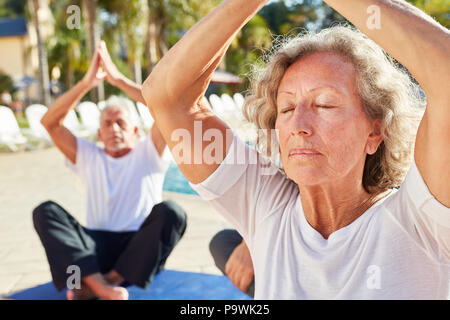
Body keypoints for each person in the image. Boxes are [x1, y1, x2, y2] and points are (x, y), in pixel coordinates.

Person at [141, 0, 449, 299]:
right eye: (286, 108)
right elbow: (167, 97)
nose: (298, 124)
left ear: (376, 131)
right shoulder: (265, 206)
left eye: (324, 103)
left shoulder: (421, 220)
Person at [33, 41, 187, 300]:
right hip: (94, 248)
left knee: (173, 212)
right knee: (45, 211)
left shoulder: (148, 152)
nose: (114, 129)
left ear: (135, 131)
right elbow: (50, 122)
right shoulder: (88, 155)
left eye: (121, 123)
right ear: (99, 133)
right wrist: (86, 84)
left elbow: (166, 106)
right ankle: (102, 287)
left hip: (138, 251)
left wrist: (118, 80)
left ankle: (105, 281)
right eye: (108, 124)